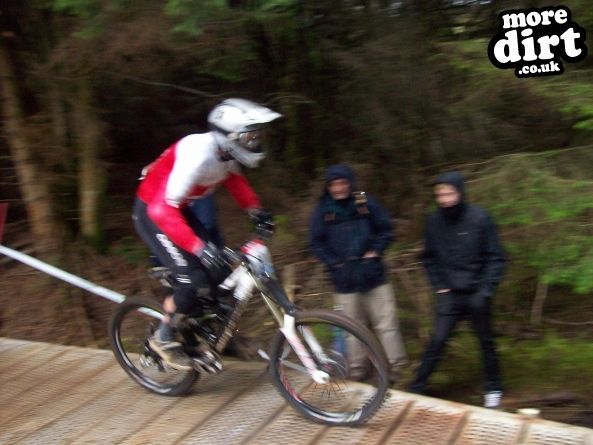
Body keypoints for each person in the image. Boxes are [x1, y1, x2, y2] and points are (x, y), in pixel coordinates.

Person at [133, 98, 281, 370]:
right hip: (154, 212)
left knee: (220, 272)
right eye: (249, 137)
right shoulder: (198, 157)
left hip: (177, 208)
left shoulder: (225, 154)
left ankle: (210, 333)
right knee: (192, 280)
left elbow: (234, 180)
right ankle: (163, 338)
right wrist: (198, 247)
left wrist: (256, 211)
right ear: (229, 137)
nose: (254, 141)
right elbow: (161, 211)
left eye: (256, 136)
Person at [408, 171, 506, 409]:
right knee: (438, 340)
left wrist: (486, 289)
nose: (444, 198)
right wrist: (439, 285)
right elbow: (428, 257)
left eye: (449, 193)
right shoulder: (433, 221)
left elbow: (496, 257)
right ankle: (416, 387)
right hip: (449, 294)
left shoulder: (480, 218)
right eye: (439, 194)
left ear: (460, 193)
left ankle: (493, 387)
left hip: (476, 292)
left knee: (485, 341)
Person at [309, 164, 407, 383]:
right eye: (334, 184)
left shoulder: (365, 201)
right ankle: (357, 369)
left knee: (387, 323)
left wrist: (376, 252)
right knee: (351, 328)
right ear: (328, 187)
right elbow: (316, 243)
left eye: (343, 183)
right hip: (344, 279)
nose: (339, 188)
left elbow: (386, 229)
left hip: (374, 274)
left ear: (350, 183)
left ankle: (396, 368)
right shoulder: (323, 209)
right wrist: (334, 263)